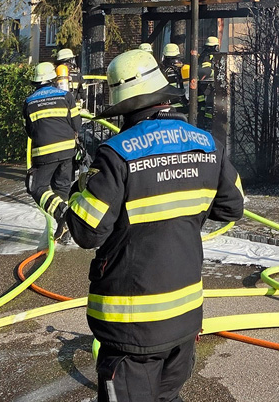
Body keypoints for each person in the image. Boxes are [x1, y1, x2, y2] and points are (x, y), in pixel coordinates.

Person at [66, 50, 245, 402]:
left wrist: (80, 187)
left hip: (132, 323)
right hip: (185, 318)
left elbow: (87, 230)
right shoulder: (208, 145)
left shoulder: (117, 154)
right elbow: (232, 206)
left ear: (126, 107)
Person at [23, 62, 78, 240]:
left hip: (44, 152)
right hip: (68, 149)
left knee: (36, 187)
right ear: (53, 79)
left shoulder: (29, 101)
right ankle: (65, 231)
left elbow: (30, 132)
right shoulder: (66, 96)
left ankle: (63, 214)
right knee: (62, 188)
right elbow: (77, 125)